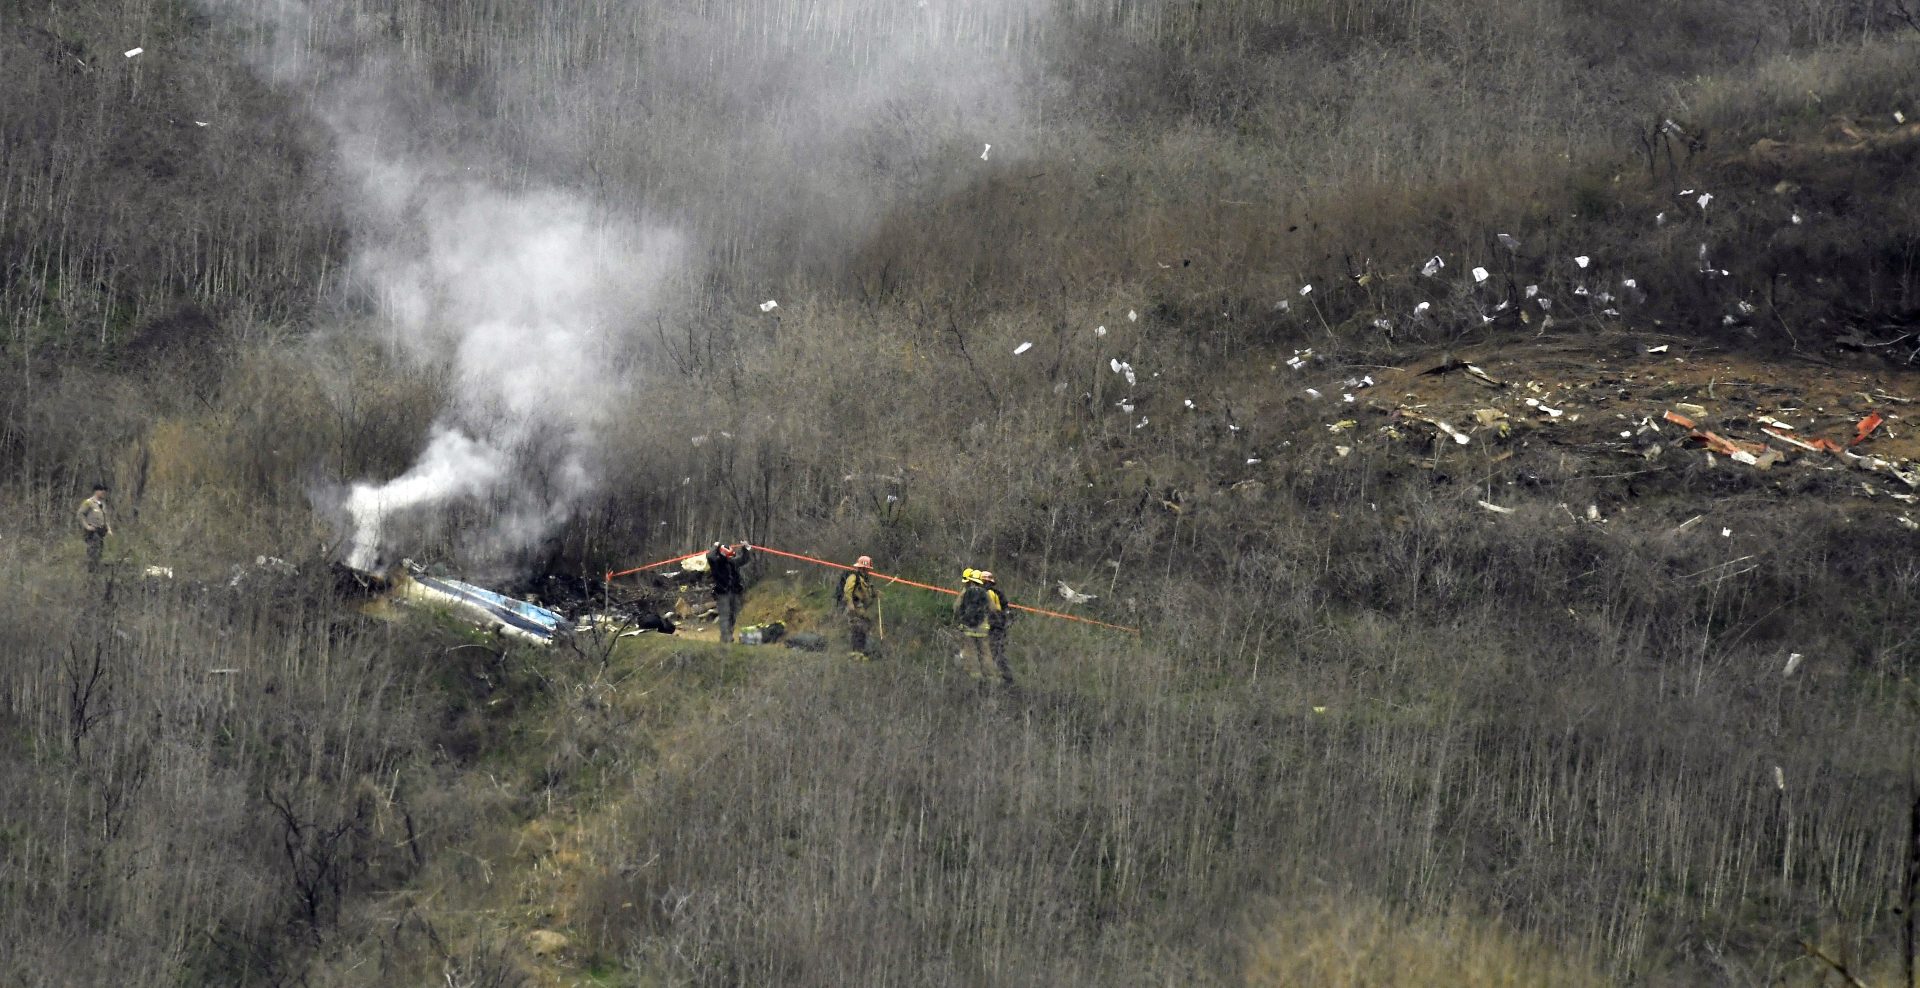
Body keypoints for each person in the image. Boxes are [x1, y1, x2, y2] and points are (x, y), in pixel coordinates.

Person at [953, 568, 999, 683]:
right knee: (985, 651)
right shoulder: (985, 593)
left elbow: (956, 607)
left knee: (971, 651)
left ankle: (975, 675)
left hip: (968, 627)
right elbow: (993, 609)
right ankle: (990, 676)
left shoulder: (965, 592)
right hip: (983, 627)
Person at [705, 541, 752, 643]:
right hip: (722, 593)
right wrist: (715, 547)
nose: (729, 558)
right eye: (728, 556)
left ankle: (728, 635)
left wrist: (745, 549)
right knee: (725, 615)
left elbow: (744, 559)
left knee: (733, 615)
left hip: (735, 592)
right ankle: (726, 638)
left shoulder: (732, 563)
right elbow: (709, 556)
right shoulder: (715, 563)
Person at [980, 570, 1015, 685]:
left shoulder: (986, 594)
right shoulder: (999, 594)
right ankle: (1003, 676)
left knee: (993, 651)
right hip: (999, 627)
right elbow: (1007, 611)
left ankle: (1005, 677)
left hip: (993, 626)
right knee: (995, 651)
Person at [841, 555, 880, 660]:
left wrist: (875, 594)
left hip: (862, 609)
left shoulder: (865, 580)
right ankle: (855, 653)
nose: (867, 571)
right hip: (854, 607)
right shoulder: (854, 577)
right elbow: (847, 591)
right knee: (857, 629)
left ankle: (861, 652)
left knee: (864, 628)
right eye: (866, 569)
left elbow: (868, 594)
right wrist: (850, 604)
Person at [76, 484, 112, 572]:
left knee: (99, 552)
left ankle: (96, 570)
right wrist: (87, 526)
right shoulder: (88, 502)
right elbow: (80, 514)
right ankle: (91, 571)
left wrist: (109, 529)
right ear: (96, 491)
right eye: (101, 490)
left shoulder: (102, 504)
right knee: (93, 552)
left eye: (104, 490)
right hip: (92, 532)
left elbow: (105, 517)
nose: (103, 492)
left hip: (101, 532)